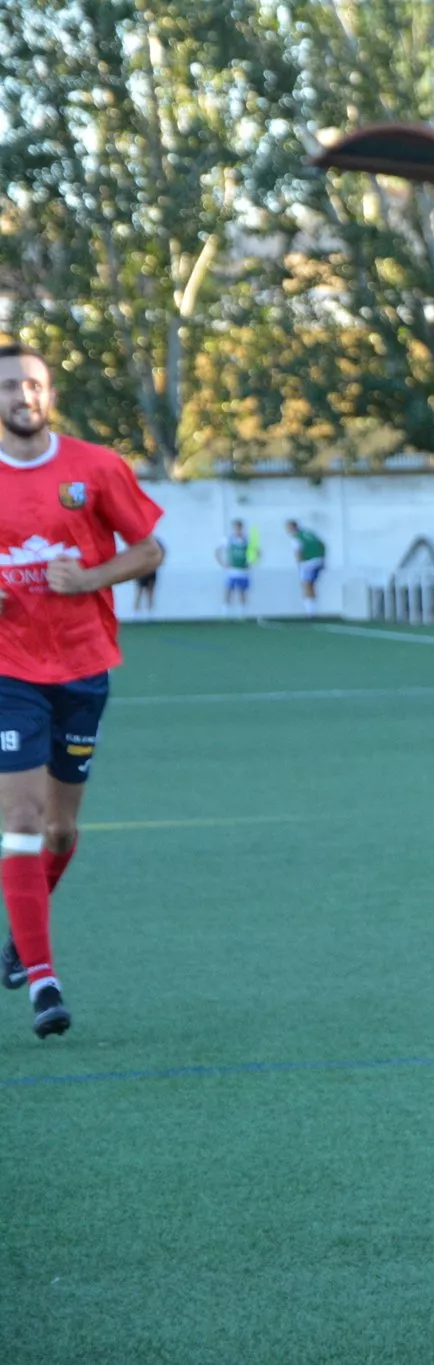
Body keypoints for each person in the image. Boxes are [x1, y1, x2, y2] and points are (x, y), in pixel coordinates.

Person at [0, 343, 164, 1038]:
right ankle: (44, 981)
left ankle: (21, 935)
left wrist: (90, 578)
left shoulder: (96, 467)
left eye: (33, 383)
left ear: (50, 392)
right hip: (9, 671)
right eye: (10, 386)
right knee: (24, 820)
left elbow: (149, 549)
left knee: (63, 827)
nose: (23, 395)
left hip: (83, 665)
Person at [283, 518, 324, 617]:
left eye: (287, 527)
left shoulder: (296, 537)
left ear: (292, 527)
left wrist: (299, 564)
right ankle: (313, 609)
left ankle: (310, 612)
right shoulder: (308, 533)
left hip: (308, 563)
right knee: (312, 584)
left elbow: (298, 551)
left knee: (306, 585)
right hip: (319, 560)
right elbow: (322, 544)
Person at [216, 518, 257, 617]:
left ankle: (242, 614)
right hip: (232, 570)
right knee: (228, 591)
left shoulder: (247, 540)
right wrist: (222, 563)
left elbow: (257, 552)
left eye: (239, 528)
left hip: (243, 570)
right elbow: (217, 551)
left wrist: (251, 562)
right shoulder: (227, 540)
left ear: (242, 528)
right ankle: (225, 614)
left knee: (242, 592)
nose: (237, 530)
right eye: (235, 528)